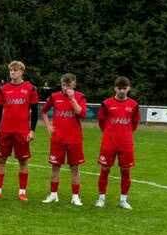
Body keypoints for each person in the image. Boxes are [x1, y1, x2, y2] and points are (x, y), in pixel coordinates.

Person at [0, 61, 40, 201]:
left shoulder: (30, 88)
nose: (13, 72)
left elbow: (35, 111)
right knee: (1, 160)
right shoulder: (3, 89)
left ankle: (22, 192)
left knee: (23, 162)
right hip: (5, 130)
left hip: (22, 131)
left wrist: (32, 130)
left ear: (22, 72)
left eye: (16, 70)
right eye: (11, 70)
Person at [41, 73, 87, 206]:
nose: (65, 88)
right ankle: (53, 194)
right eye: (63, 85)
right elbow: (44, 111)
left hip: (74, 139)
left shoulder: (80, 97)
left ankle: (75, 197)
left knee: (75, 168)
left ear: (74, 85)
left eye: (68, 85)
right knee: (55, 167)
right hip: (58, 139)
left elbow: (82, 114)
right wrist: (49, 126)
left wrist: (72, 99)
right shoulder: (54, 97)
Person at [96, 76, 140, 210]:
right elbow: (101, 122)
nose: (122, 91)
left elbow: (134, 124)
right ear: (115, 88)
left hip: (126, 143)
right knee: (104, 170)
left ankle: (123, 200)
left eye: (124, 88)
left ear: (129, 88)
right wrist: (110, 133)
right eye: (119, 88)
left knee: (125, 171)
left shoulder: (133, 105)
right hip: (109, 143)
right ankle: (101, 198)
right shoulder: (106, 103)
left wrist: (125, 134)